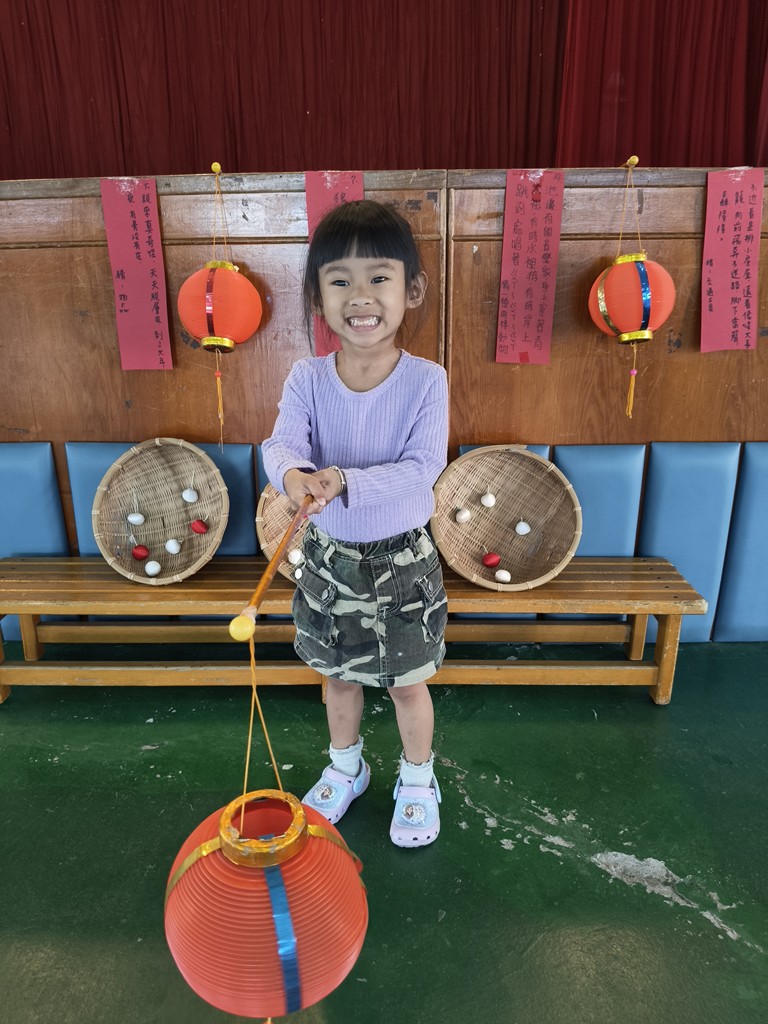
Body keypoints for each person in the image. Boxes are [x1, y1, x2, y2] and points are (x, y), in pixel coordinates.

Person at [260, 199, 449, 847]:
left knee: (407, 683)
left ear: (411, 290)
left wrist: (343, 480)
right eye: (339, 280)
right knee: (337, 675)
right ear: (318, 298)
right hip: (328, 556)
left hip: (403, 562)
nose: (360, 296)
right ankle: (347, 768)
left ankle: (418, 778)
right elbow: (282, 445)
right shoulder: (307, 377)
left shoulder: (426, 381)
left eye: (379, 278)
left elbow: (422, 468)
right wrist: (293, 477)